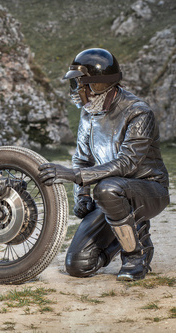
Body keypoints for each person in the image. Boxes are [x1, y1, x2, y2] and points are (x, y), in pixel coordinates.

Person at [38, 48, 170, 281]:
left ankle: (135, 256)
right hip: (109, 194)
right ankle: (127, 238)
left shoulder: (138, 112)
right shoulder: (89, 113)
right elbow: (82, 157)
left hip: (149, 189)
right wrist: (82, 196)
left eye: (80, 84)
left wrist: (74, 176)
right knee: (78, 265)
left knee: (107, 188)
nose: (76, 91)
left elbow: (128, 163)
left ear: (97, 84)